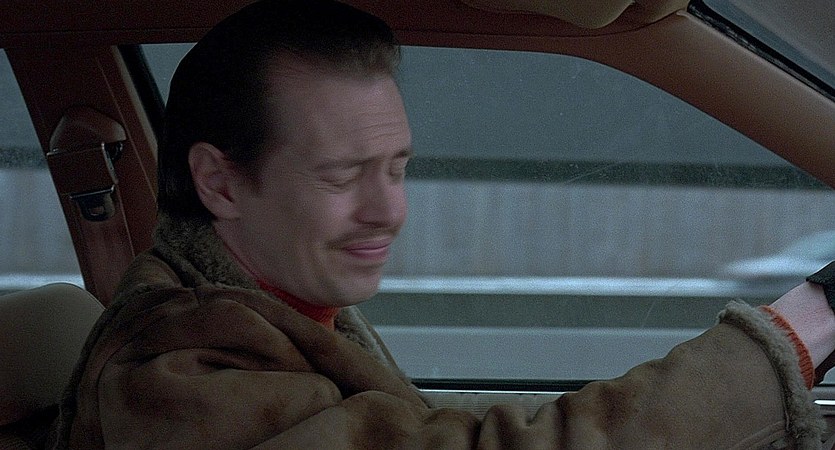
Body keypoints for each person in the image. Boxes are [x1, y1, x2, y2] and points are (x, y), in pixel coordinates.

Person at [51, 0, 835, 448]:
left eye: (396, 167)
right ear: (220, 182)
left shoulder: (284, 314)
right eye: (341, 174)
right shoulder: (176, 380)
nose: (388, 210)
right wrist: (802, 328)